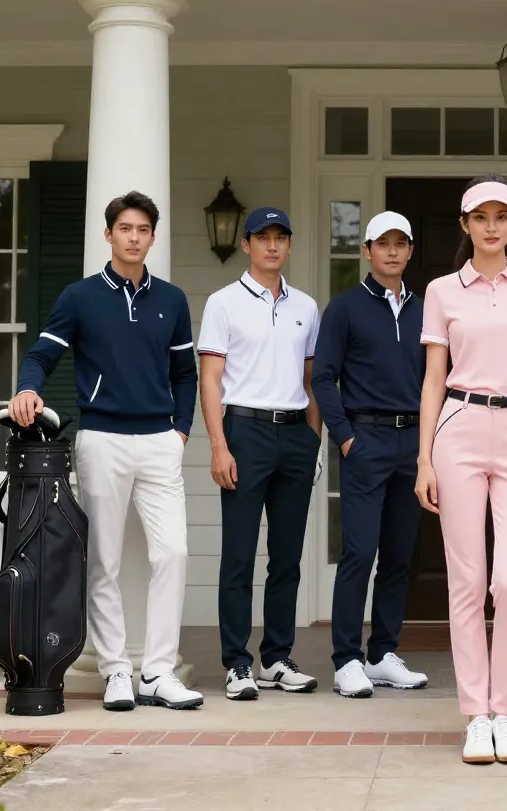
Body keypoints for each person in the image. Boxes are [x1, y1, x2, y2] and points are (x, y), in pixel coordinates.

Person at [8, 190, 202, 711]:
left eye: (143, 230)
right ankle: (116, 669)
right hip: (102, 441)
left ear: (153, 237)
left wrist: (181, 431)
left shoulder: (171, 300)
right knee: (103, 560)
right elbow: (41, 356)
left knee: (173, 553)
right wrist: (28, 389)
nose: (134, 238)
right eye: (125, 229)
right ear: (109, 234)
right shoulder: (80, 297)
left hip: (160, 442)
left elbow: (185, 374)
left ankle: (157, 672)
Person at [415, 175, 507, 765]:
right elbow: (433, 378)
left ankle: (505, 711)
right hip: (459, 429)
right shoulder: (442, 291)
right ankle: (476, 716)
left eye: (502, 217)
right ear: (465, 224)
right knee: (467, 581)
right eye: (481, 217)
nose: (491, 226)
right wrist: (424, 457)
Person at [197, 206, 323, 701]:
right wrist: (219, 445)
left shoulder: (306, 307)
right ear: (246, 244)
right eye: (262, 237)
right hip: (244, 432)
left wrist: (313, 438)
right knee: (239, 555)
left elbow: (311, 379)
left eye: (280, 237)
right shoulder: (223, 303)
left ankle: (276, 658)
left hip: (294, 435)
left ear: (289, 245)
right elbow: (210, 379)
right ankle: (236, 663)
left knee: (287, 556)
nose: (272, 245)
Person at [312, 210, 430, 698]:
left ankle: (381, 654)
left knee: (399, 555)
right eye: (384, 244)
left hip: (413, 443)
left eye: (401, 243)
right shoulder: (345, 309)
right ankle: (347, 659)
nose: (393, 252)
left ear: (410, 250)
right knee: (360, 552)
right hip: (365, 440)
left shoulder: (427, 309)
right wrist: (344, 437)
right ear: (367, 251)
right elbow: (323, 377)